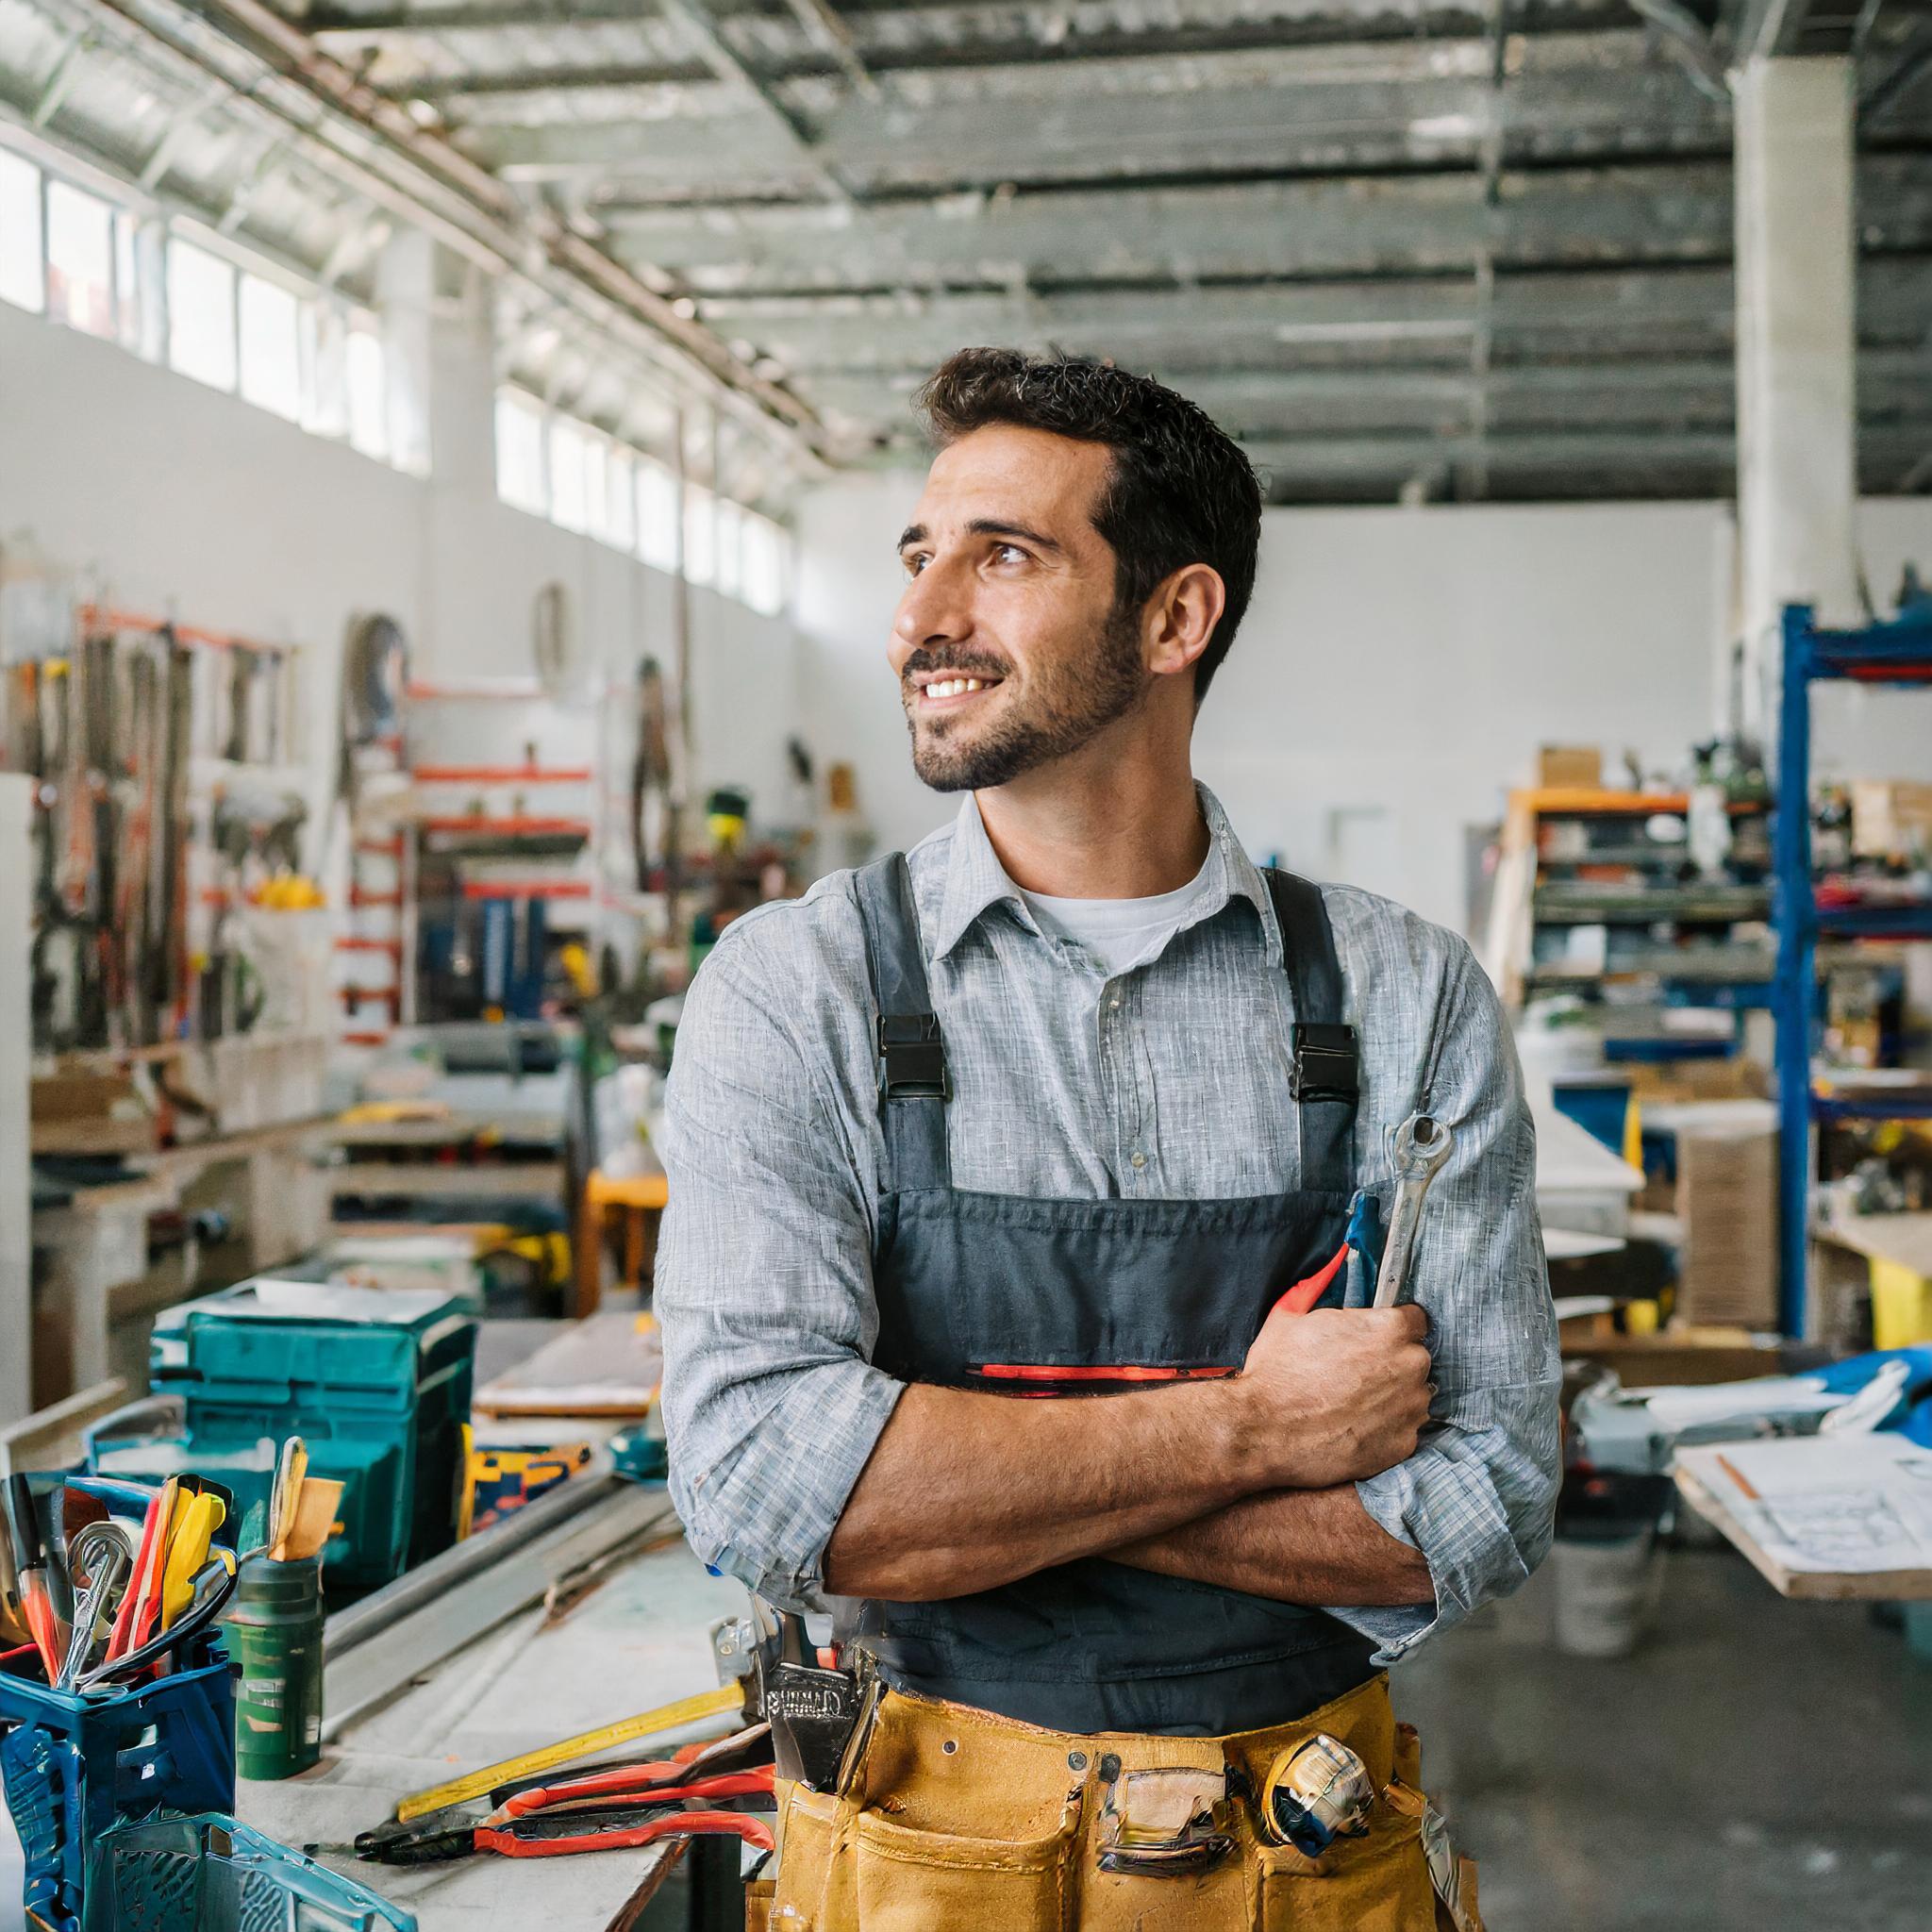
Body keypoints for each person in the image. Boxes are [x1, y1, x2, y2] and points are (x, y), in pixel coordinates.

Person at [658, 348, 1560, 1929]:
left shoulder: (1404, 993)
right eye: (919, 555)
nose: (924, 619)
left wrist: (966, 1480)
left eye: (1003, 555)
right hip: (921, 1857)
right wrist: (1259, 1429)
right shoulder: (793, 989)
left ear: (1173, 619)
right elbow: (762, 1490)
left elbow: (1481, 1502)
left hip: (1294, 1860)